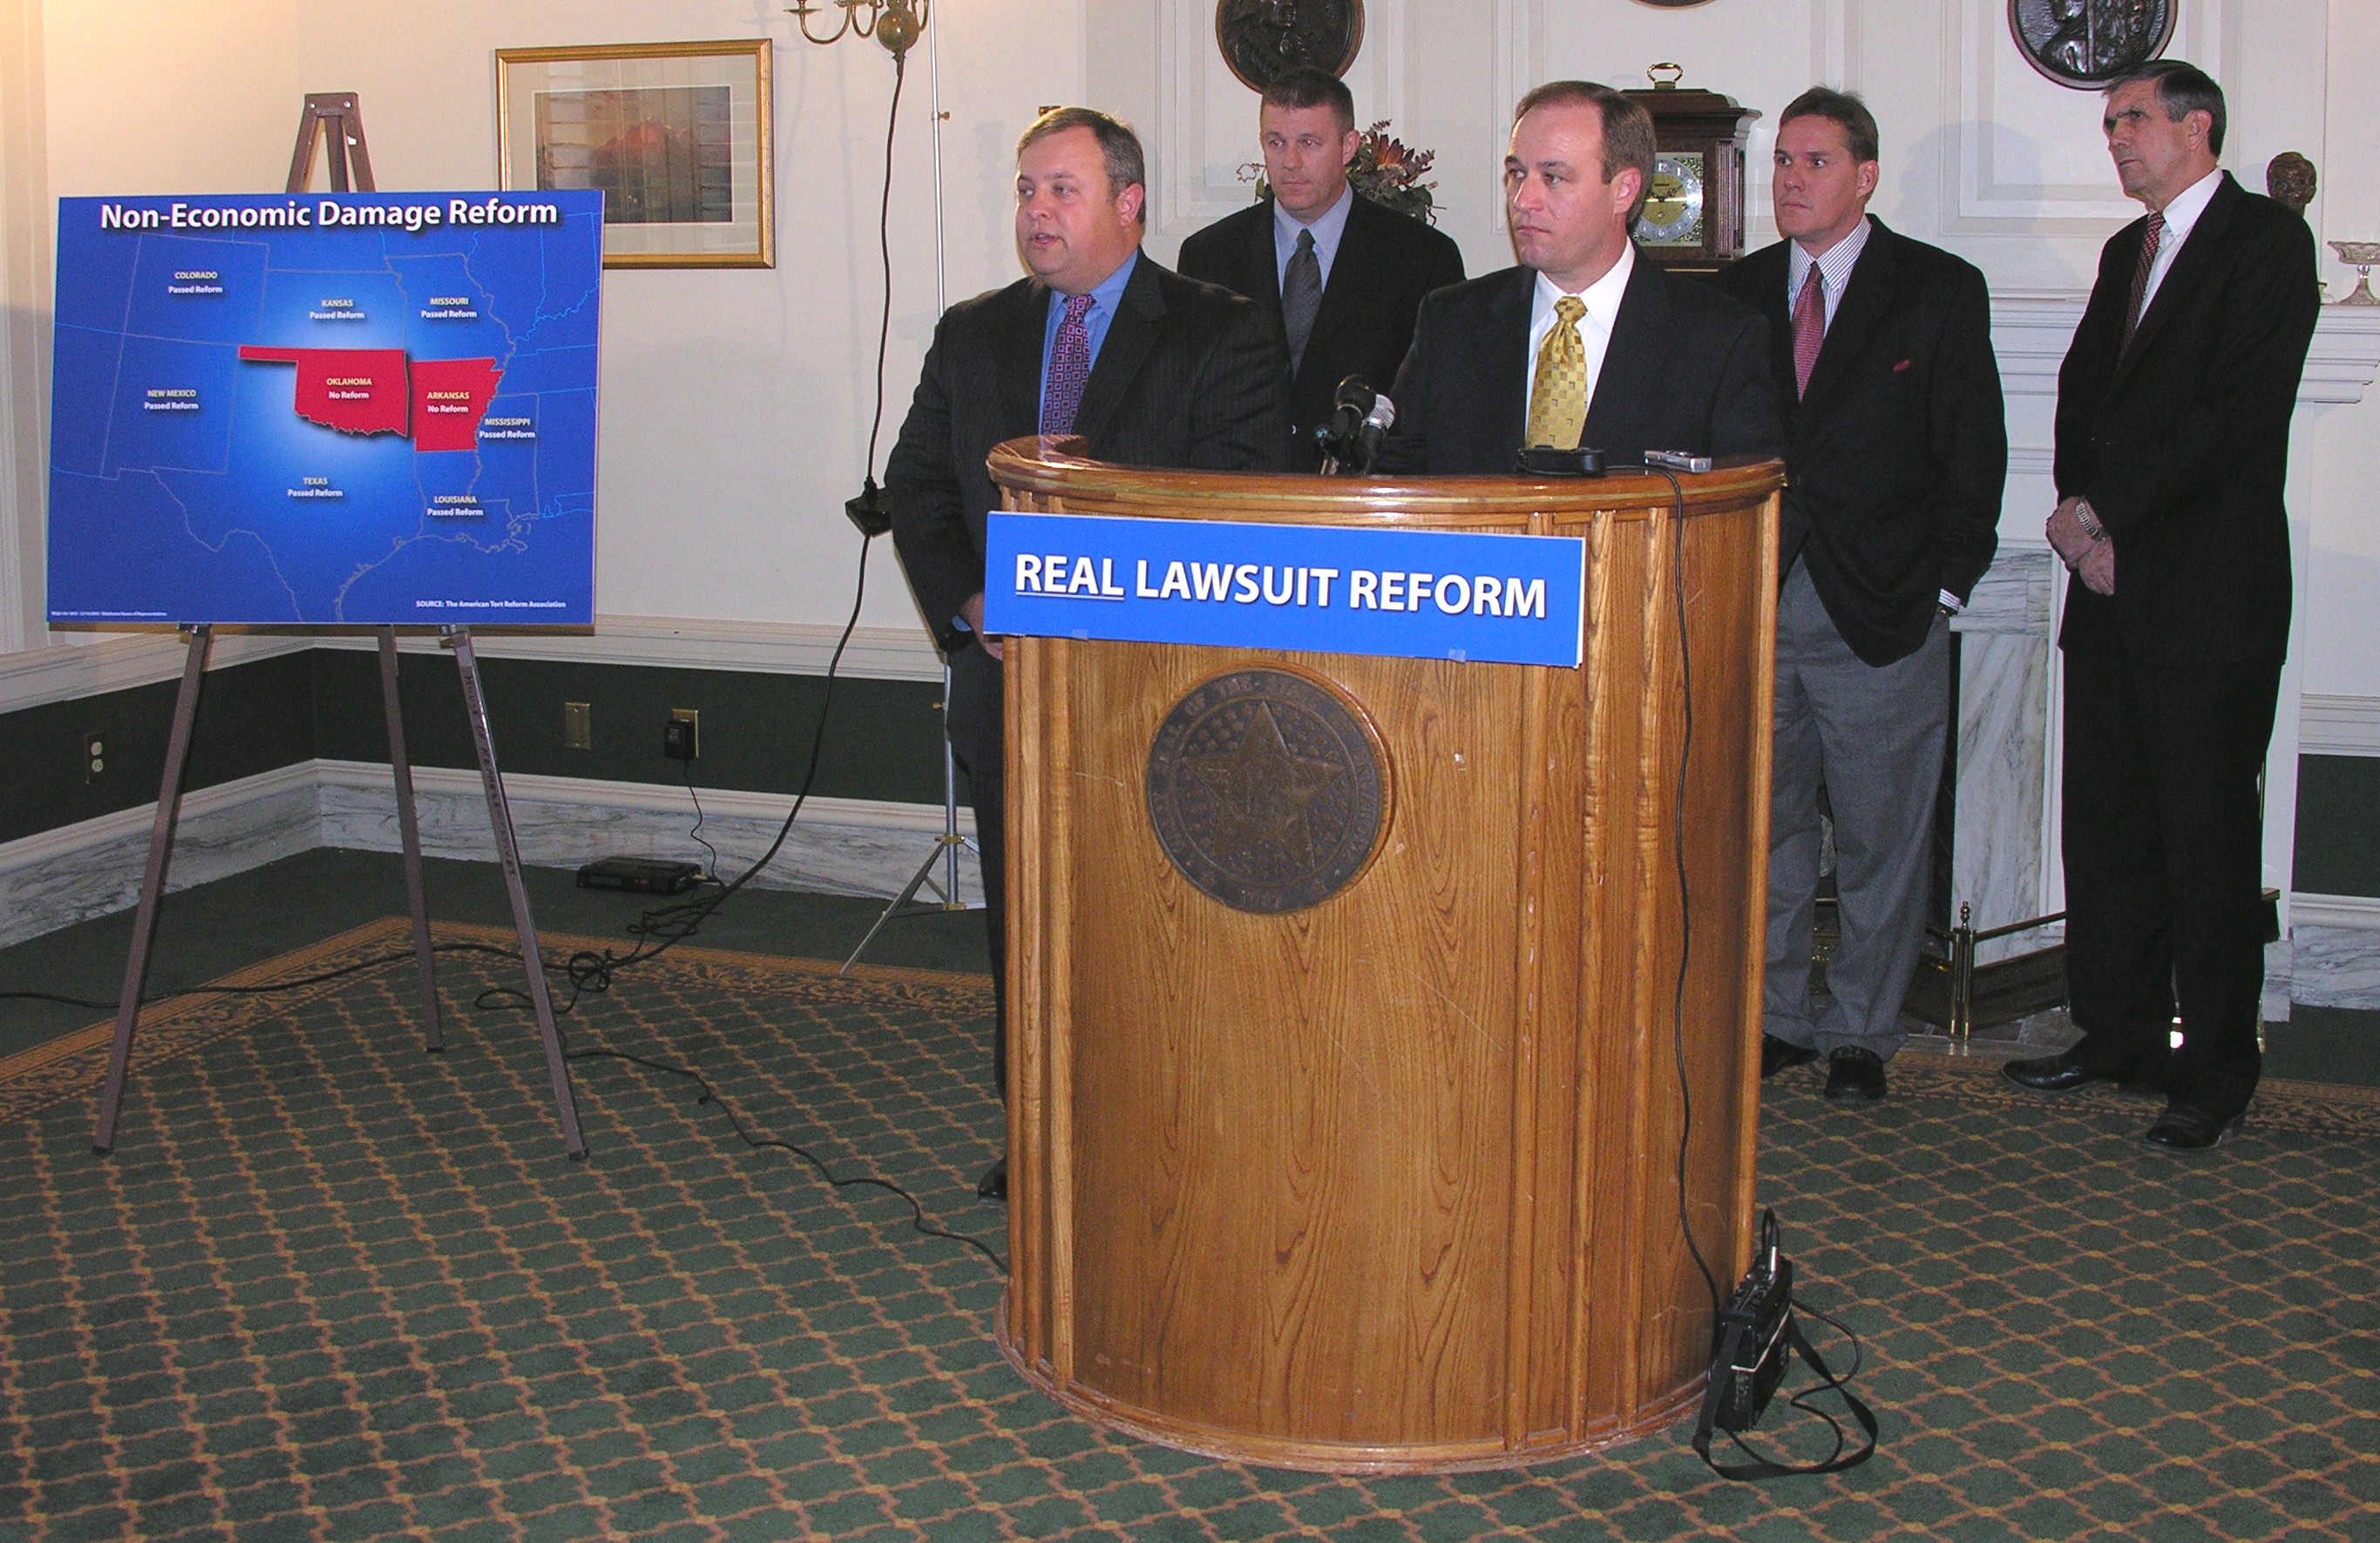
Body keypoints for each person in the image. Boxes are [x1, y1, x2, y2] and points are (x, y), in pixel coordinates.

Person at [884, 109, 1290, 1200]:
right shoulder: (973, 332)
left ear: (1128, 202)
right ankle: (1043, 1130)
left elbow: (1243, 505)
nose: (1036, 213)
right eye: (1025, 190)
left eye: (1061, 190)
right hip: (1007, 687)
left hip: (1158, 697)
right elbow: (917, 484)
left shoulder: (1218, 328)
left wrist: (1113, 610)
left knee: (1159, 931)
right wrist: (974, 602)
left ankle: (1170, 1137)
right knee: (1030, 920)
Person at [2003, 61, 2318, 1154]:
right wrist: (2074, 516)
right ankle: (2120, 1031)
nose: (2116, 140)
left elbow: (2234, 414)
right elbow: (2082, 394)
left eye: (2130, 120)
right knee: (2108, 827)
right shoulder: (2119, 250)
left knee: (2205, 837)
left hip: (2206, 596)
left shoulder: (2267, 243)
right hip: (2108, 589)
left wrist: (2105, 518)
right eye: (2109, 125)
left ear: (2197, 126)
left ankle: (2216, 1067)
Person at [1710, 89, 2006, 1107]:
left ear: (1864, 176)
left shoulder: (1935, 288)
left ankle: (1861, 1035)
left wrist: (1941, 584)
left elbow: (1974, 453)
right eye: (1782, 162)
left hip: (1880, 609)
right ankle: (1778, 1017)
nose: (1790, 180)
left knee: (1882, 834)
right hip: (1755, 602)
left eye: (1814, 162)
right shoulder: (1735, 292)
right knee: (1769, 826)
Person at [1376, 79, 1782, 476]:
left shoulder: (1718, 338)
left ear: (1624, 190)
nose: (1522, 201)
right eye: (1517, 174)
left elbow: (1755, 509)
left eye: (1553, 177)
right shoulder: (1452, 321)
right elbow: (1396, 481)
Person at [1177, 66, 1464, 468]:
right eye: (1276, 142)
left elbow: (1436, 412)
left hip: (1364, 502)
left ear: (1349, 146)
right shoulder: (1209, 255)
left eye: (1309, 143)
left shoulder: (1422, 259)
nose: (1290, 162)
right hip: (1242, 495)